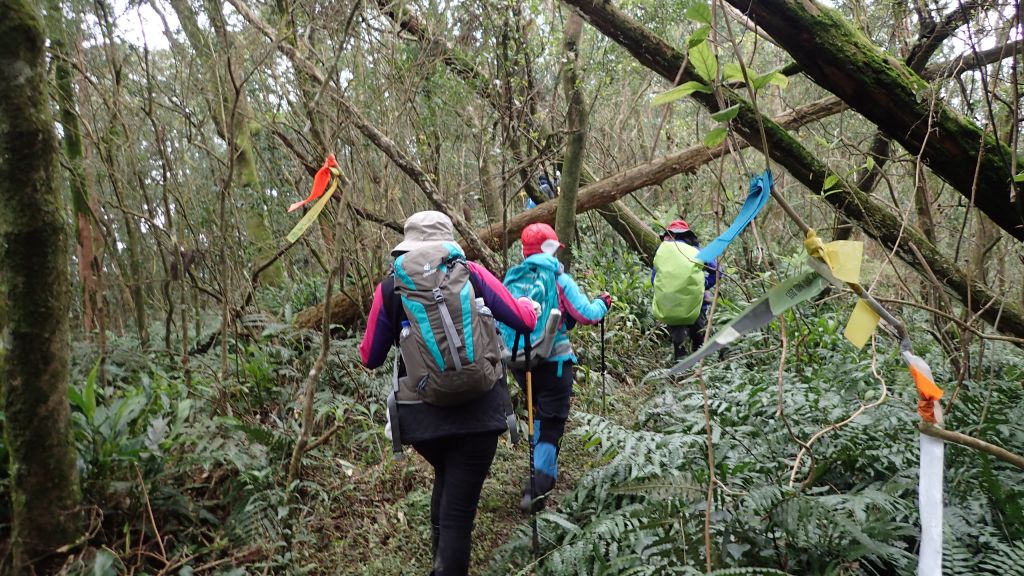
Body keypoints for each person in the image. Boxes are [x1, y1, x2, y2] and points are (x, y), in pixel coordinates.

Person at [359, 211, 538, 576]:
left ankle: (439, 565)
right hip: (481, 413)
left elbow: (369, 357)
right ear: (448, 242)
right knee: (458, 514)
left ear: (407, 246)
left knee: (446, 480)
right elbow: (521, 321)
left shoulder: (391, 286)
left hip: (425, 418)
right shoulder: (470, 272)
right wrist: (530, 310)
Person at [501, 223, 610, 512]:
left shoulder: (513, 277)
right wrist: (602, 304)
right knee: (551, 423)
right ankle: (537, 489)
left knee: (539, 417)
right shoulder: (558, 277)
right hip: (554, 363)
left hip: (519, 361)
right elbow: (585, 314)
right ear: (551, 249)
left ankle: (539, 474)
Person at [651, 219, 719, 360]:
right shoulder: (697, 252)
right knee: (699, 343)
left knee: (679, 346)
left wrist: (670, 288)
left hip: (671, 306)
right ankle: (697, 374)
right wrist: (703, 285)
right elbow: (718, 271)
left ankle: (679, 375)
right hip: (697, 306)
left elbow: (654, 279)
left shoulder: (662, 253)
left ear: (673, 236)